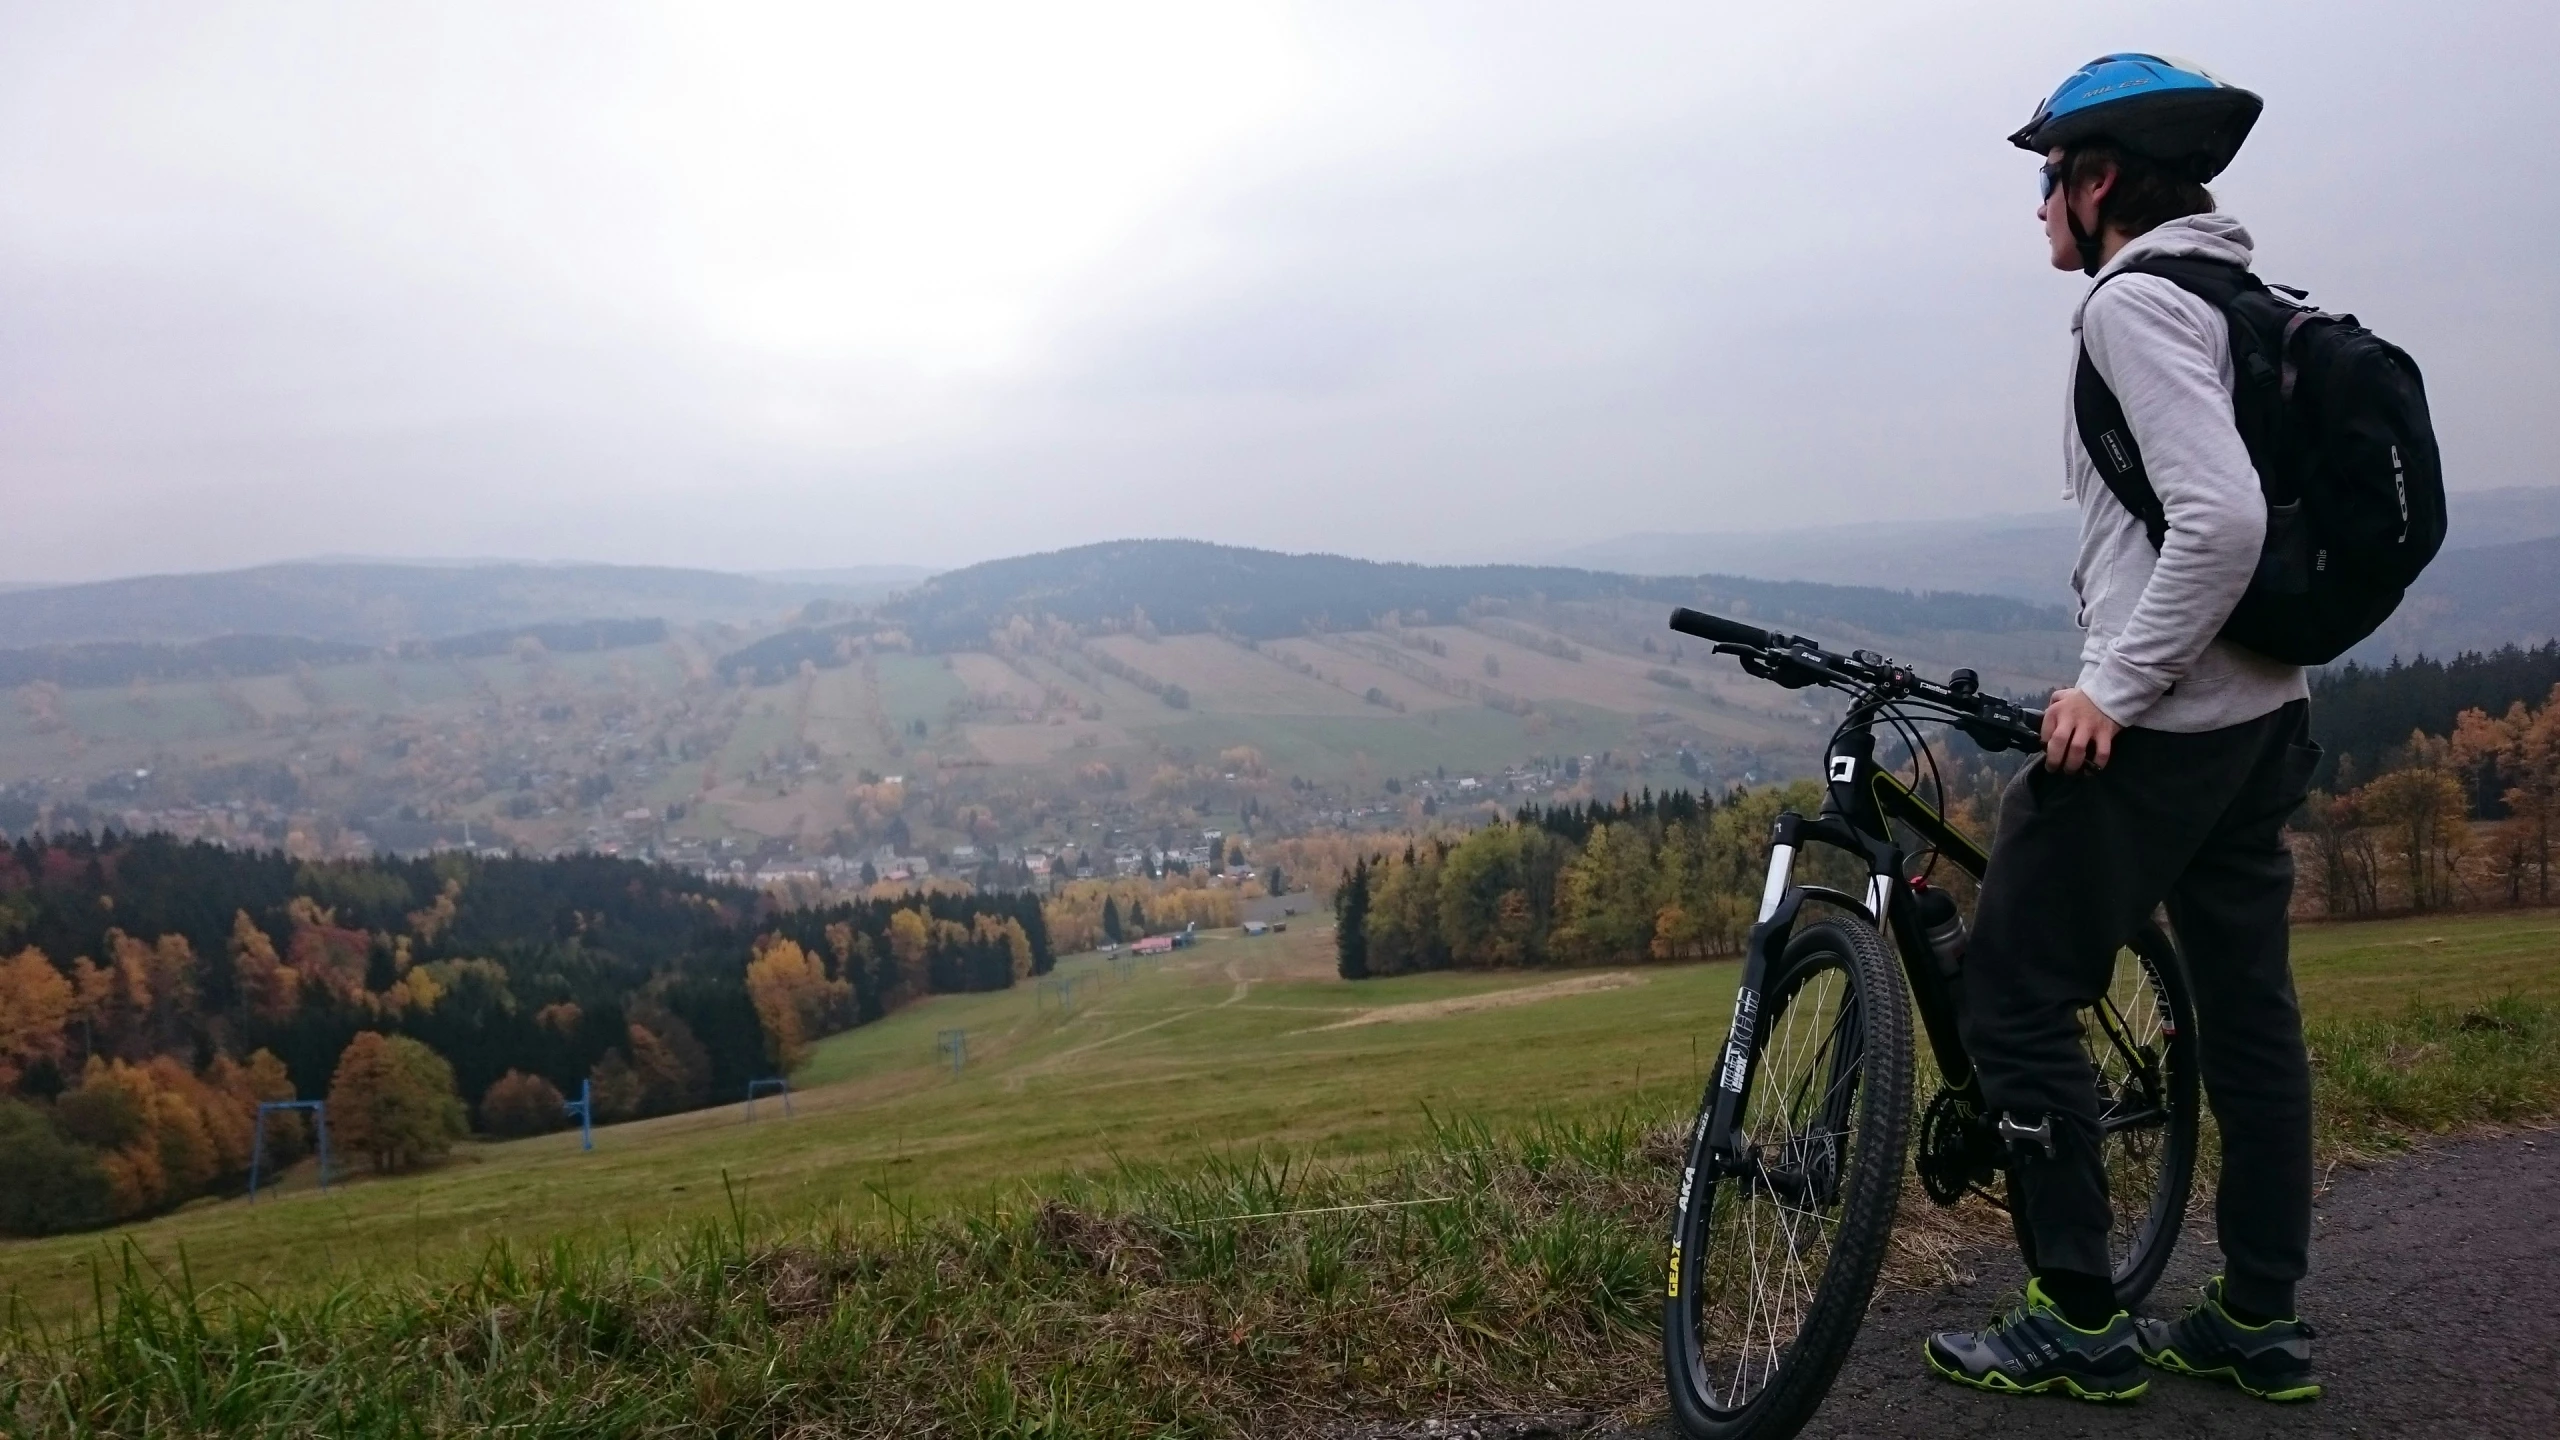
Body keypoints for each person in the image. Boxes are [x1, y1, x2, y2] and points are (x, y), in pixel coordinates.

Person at [1920, 54, 2324, 1404]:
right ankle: (2260, 1315)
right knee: (2249, 1014)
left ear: (2099, 184)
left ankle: (2078, 1310)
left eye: (2049, 179)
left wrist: (2113, 689)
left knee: (2014, 988)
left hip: (2167, 727)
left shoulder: (2133, 307)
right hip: (2265, 715)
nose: (2038, 206)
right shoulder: (2244, 296)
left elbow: (2223, 519)